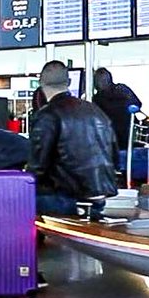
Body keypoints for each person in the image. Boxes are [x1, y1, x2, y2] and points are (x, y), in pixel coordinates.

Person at [28, 61, 118, 216]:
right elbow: (114, 156)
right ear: (68, 82)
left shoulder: (47, 115)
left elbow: (38, 167)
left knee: (10, 203)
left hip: (66, 198)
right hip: (99, 196)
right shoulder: (95, 110)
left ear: (40, 83)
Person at [92, 68, 142, 150]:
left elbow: (136, 104)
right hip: (124, 134)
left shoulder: (98, 99)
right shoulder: (121, 89)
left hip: (112, 135)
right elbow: (136, 104)